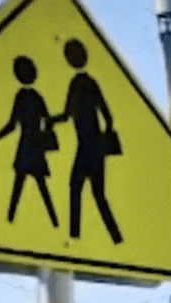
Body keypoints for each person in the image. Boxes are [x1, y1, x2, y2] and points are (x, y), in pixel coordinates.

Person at [51, 38, 123, 244]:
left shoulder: (78, 84)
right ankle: (112, 237)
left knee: (77, 188)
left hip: (87, 146)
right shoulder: (88, 83)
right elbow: (107, 116)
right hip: (93, 146)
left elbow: (67, 115)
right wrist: (105, 136)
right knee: (94, 194)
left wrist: (52, 120)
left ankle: (76, 236)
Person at [0, 56, 59, 228]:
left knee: (29, 185)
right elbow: (45, 119)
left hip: (28, 146)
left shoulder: (25, 96)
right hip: (32, 145)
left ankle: (52, 222)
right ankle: (12, 221)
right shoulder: (33, 96)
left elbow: (12, 124)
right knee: (27, 185)